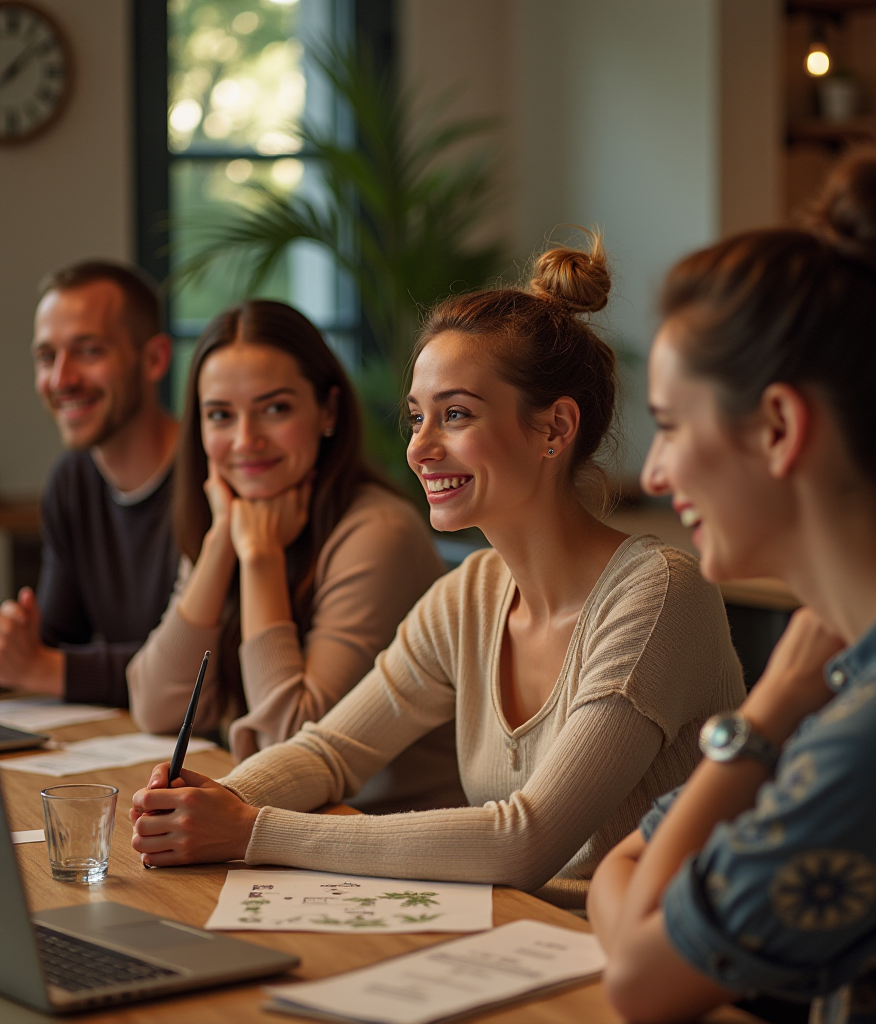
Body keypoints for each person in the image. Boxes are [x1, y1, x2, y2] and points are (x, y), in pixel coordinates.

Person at [128, 235, 746, 911]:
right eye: (418, 416)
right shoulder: (470, 595)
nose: (420, 448)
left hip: (640, 966)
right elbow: (330, 751)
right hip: (518, 939)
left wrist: (250, 829)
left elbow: (525, 840)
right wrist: (215, 798)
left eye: (456, 415)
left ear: (554, 429)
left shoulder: (658, 593)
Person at [588, 157, 876, 1023]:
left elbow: (640, 976)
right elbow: (624, 870)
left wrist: (755, 727)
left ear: (781, 427)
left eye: (671, 425)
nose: (655, 470)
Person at [127, 300, 459, 814]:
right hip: (303, 832)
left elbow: (291, 742)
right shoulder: (237, 517)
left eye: (275, 408)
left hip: (390, 837)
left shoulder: (378, 533)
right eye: (220, 415)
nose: (245, 441)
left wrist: (259, 559)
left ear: (327, 411)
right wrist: (220, 545)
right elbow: (155, 707)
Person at [0, 261, 179, 705]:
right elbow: (57, 644)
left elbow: (201, 671)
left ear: (154, 358)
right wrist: (16, 649)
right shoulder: (72, 479)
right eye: (46, 357)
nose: (61, 379)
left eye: (89, 351)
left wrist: (41, 667)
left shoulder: (213, 478)